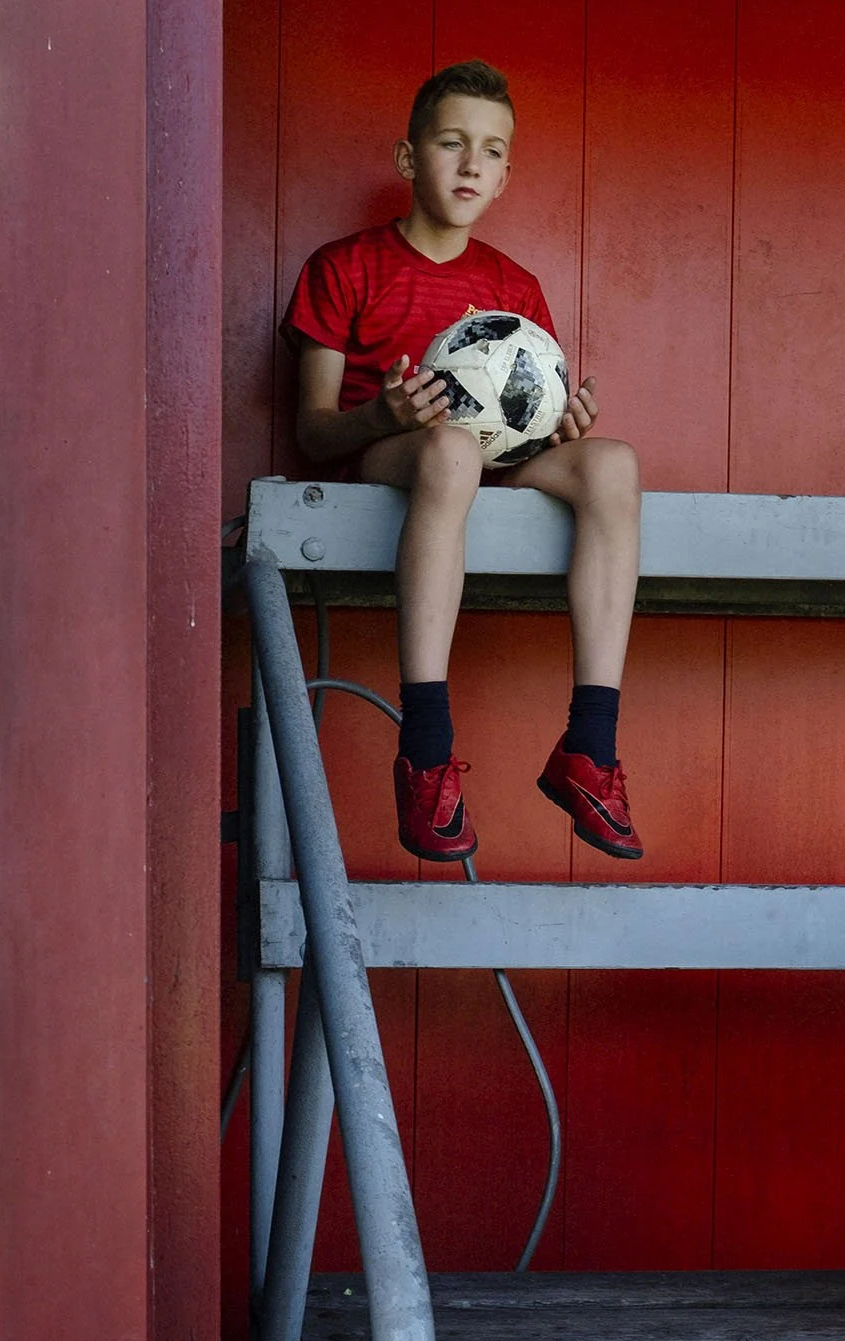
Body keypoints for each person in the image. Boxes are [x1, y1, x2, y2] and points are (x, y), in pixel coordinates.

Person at [283, 58, 644, 865]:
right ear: (411, 158)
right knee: (450, 450)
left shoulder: (516, 289)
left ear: (507, 173)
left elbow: (530, 418)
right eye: (451, 143)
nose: (471, 162)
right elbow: (311, 431)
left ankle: (591, 744)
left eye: (490, 150)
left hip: (492, 462)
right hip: (393, 455)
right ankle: (426, 745)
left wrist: (564, 430)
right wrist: (381, 413)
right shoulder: (343, 267)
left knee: (613, 464)